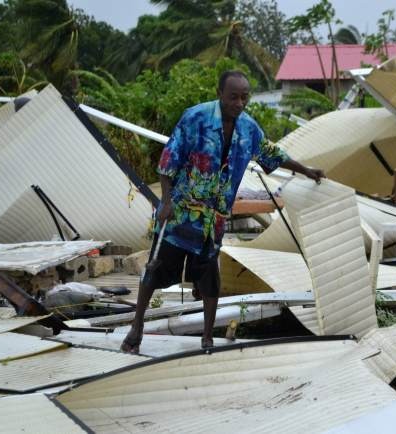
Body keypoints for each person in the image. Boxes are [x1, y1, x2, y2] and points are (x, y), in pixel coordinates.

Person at [121, 70, 325, 353]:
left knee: (209, 279)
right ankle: (137, 327)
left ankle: (207, 338)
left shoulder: (249, 129)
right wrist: (165, 201)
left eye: (244, 97)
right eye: (233, 97)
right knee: (156, 270)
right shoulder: (196, 117)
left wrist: (307, 170)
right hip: (181, 212)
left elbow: (272, 154)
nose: (239, 103)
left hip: (213, 220)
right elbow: (168, 161)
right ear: (220, 94)